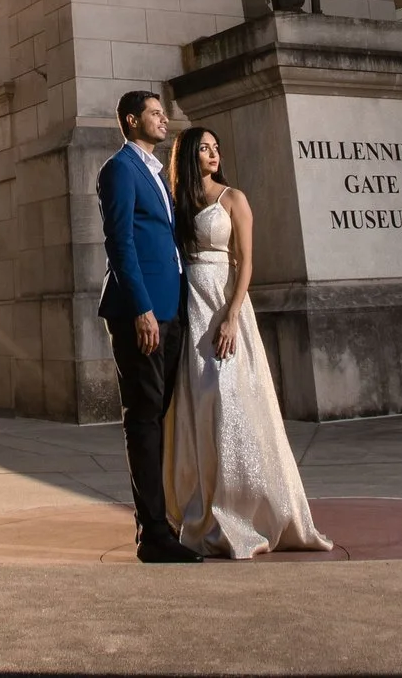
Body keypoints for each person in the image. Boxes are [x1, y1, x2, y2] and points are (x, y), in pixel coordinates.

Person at [162, 125, 331, 558]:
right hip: (189, 307)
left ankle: (246, 508)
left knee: (228, 397)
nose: (214, 154)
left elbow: (247, 263)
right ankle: (202, 505)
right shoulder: (175, 202)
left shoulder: (233, 199)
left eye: (217, 147)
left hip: (222, 305)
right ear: (188, 155)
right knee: (196, 402)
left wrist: (232, 316)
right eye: (204, 148)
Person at [96, 90, 202, 563]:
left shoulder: (160, 173)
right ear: (132, 120)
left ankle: (167, 520)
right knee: (143, 419)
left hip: (172, 308)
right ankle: (152, 535)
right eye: (156, 114)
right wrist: (141, 309)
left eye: (165, 113)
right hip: (141, 314)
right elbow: (119, 243)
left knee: (161, 417)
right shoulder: (119, 169)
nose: (165, 119)